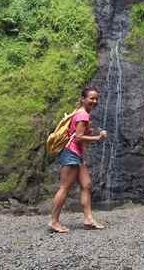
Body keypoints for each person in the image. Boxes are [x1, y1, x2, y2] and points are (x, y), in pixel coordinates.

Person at [49, 86, 108, 233]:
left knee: (86, 185)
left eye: (96, 99)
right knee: (65, 187)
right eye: (91, 98)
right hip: (71, 154)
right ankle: (54, 222)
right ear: (83, 99)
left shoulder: (80, 113)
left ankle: (88, 219)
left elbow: (78, 135)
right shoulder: (83, 115)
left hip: (76, 154)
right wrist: (98, 137)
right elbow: (79, 137)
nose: (94, 101)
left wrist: (89, 133)